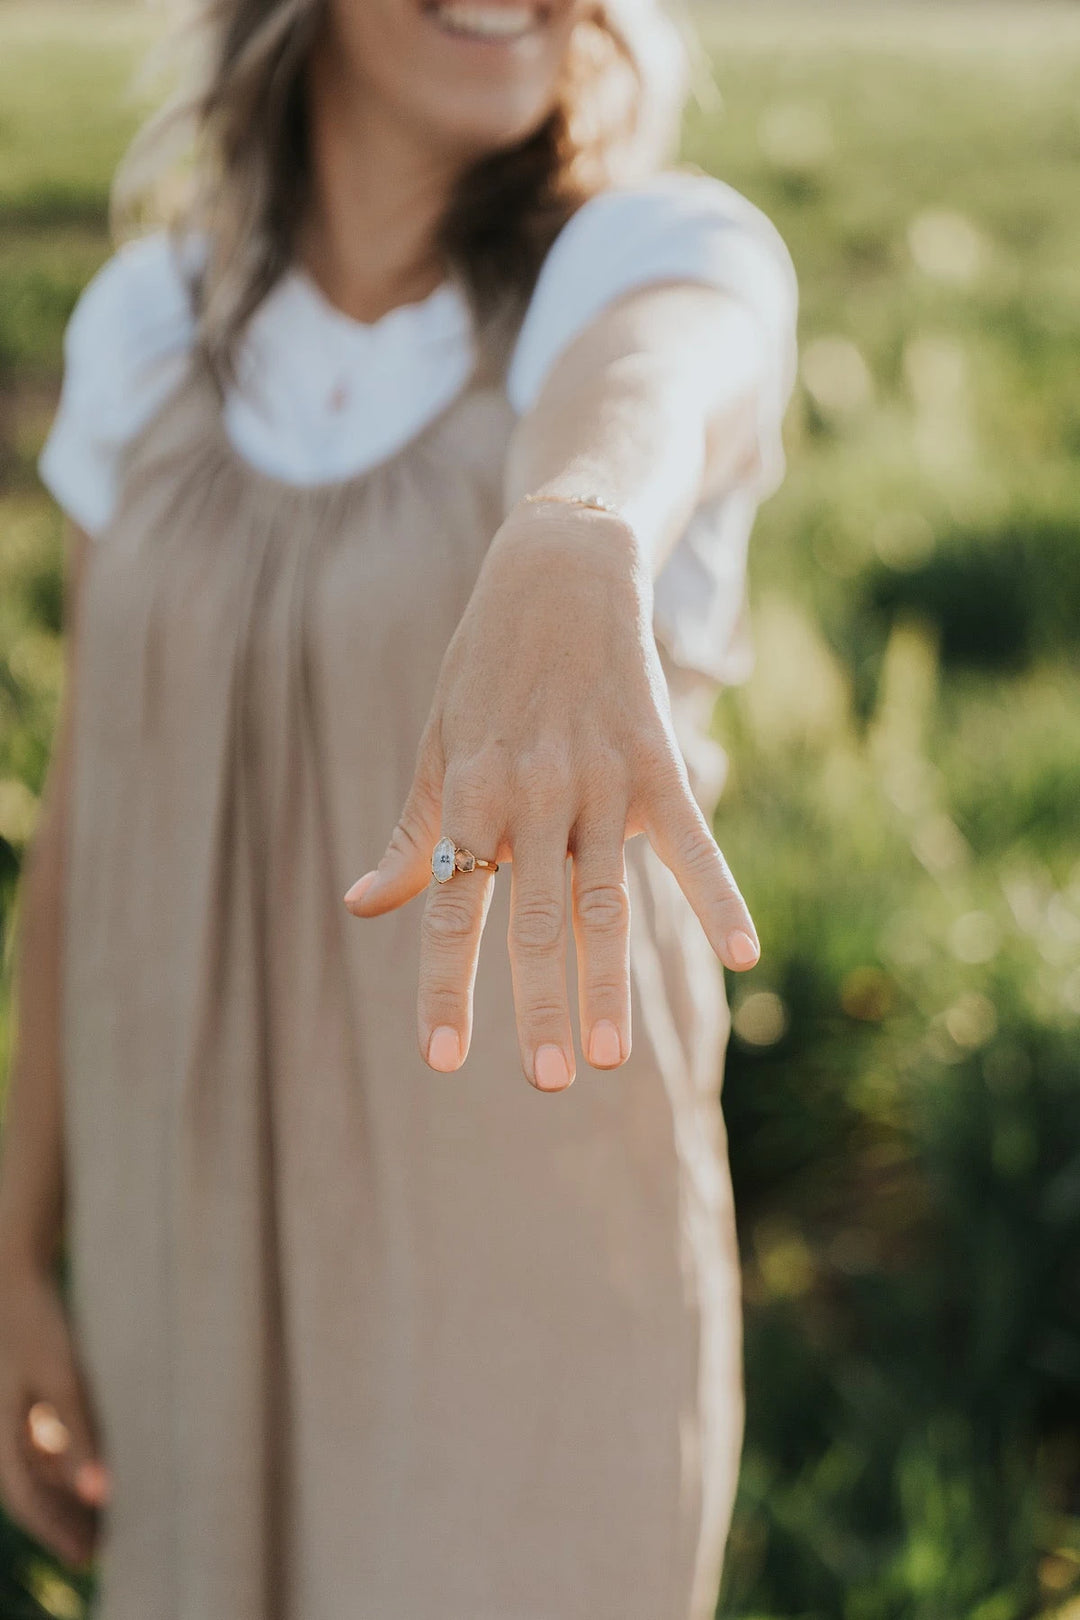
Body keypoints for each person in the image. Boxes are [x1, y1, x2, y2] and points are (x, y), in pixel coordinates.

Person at [0, 0, 797, 1614]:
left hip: (525, 1250)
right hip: (189, 1231)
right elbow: (93, 816)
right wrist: (16, 1243)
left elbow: (657, 384)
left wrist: (577, 528)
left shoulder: (645, 253)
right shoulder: (144, 330)